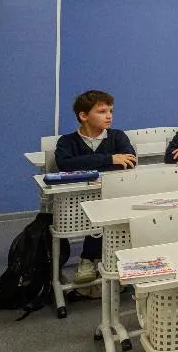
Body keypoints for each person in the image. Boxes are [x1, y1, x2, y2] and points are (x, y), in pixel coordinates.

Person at [55, 90, 136, 285]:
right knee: (95, 215)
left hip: (111, 197)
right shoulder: (67, 141)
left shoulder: (117, 136)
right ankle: (88, 259)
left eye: (110, 111)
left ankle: (92, 258)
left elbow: (129, 161)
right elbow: (65, 164)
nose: (109, 116)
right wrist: (109, 159)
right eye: (102, 111)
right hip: (77, 204)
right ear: (84, 116)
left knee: (107, 214)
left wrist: (86, 164)